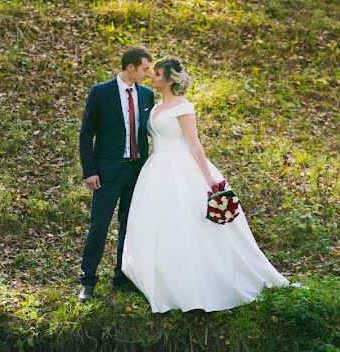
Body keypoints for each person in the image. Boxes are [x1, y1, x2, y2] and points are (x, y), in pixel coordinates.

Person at [120, 57, 289, 313]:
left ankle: (202, 282)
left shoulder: (183, 107)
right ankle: (166, 278)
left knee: (191, 224)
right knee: (161, 225)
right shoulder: (154, 108)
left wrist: (209, 177)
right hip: (156, 171)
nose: (152, 78)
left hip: (182, 167)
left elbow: (194, 144)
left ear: (167, 79)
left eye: (156, 74)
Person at [77, 46, 155, 302]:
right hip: (107, 173)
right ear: (131, 67)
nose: (147, 73)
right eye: (144, 69)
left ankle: (120, 277)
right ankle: (87, 280)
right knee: (99, 226)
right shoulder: (100, 93)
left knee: (128, 226)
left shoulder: (147, 95)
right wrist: (89, 171)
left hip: (136, 172)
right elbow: (86, 134)